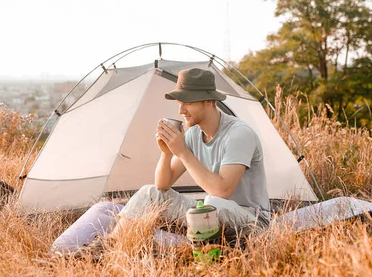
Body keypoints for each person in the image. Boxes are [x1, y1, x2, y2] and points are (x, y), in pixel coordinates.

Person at [116, 68, 271, 237]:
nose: (181, 110)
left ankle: (202, 251)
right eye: (179, 103)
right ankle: (109, 245)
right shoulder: (194, 134)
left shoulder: (239, 134)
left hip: (252, 220)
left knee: (212, 204)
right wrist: (167, 153)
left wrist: (183, 153)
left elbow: (222, 192)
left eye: (188, 102)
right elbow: (163, 185)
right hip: (212, 213)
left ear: (209, 101)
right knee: (150, 193)